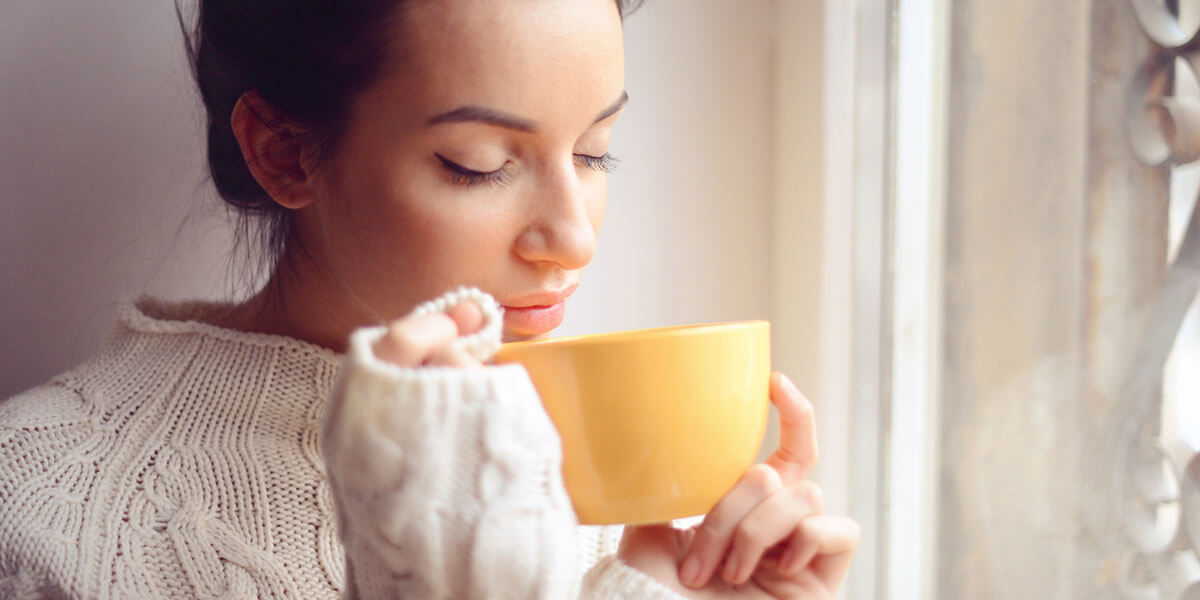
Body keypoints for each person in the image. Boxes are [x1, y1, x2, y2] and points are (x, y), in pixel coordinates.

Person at [0, 0, 859, 598]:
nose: (576, 237)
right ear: (284, 153)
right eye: (479, 163)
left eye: (597, 152)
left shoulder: (642, 494)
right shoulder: (41, 507)